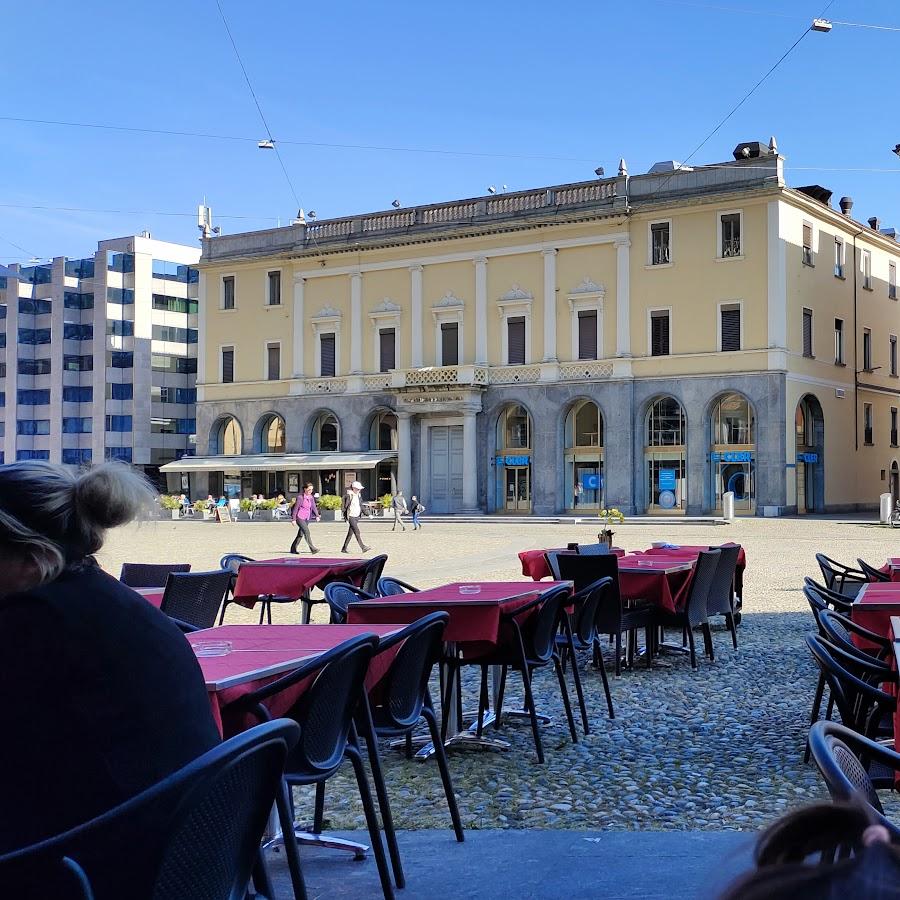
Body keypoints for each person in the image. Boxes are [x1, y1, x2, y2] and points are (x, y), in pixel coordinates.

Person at [0, 461, 220, 853]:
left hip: (97, 864)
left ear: (33, 558)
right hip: (190, 856)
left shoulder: (31, 623)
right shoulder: (109, 603)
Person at [290, 483, 320, 554]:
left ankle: (293, 549)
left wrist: (317, 515)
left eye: (312, 489)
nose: (310, 491)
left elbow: (313, 507)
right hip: (299, 517)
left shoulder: (311, 497)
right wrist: (293, 519)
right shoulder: (300, 497)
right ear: (305, 489)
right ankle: (313, 549)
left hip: (307, 517)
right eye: (309, 489)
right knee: (307, 532)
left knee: (300, 534)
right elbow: (296, 509)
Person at [341, 481, 371, 553]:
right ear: (353, 488)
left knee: (350, 533)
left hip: (356, 516)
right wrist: (345, 517)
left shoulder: (358, 496)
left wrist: (368, 514)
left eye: (359, 489)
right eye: (358, 489)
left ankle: (344, 548)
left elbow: (361, 506)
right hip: (351, 516)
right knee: (357, 531)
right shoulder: (348, 496)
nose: (359, 490)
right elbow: (344, 507)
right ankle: (363, 547)